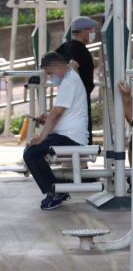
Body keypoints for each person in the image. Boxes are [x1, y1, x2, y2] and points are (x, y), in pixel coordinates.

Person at [23, 52, 89, 210]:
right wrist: (48, 118)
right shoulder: (71, 77)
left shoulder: (69, 82)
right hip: (68, 134)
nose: (49, 77)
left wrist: (40, 138)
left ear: (57, 67)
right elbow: (60, 113)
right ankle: (56, 189)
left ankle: (56, 191)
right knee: (32, 151)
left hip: (71, 137)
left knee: (31, 153)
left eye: (49, 73)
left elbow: (57, 113)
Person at [55, 16, 97, 145]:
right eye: (90, 30)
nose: (92, 33)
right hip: (80, 99)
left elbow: (50, 62)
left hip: (66, 98)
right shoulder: (81, 49)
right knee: (81, 135)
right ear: (83, 31)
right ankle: (81, 164)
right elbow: (72, 67)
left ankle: (71, 162)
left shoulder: (65, 46)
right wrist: (75, 84)